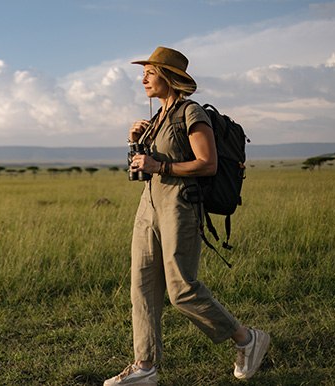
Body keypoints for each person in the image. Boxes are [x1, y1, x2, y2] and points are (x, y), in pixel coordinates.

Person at [103, 47, 270, 386]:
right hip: (149, 205)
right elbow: (143, 168)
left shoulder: (190, 112)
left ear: (168, 75)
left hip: (181, 205)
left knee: (181, 289)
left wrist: (160, 165)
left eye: (150, 72)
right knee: (143, 285)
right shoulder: (157, 118)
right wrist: (136, 142)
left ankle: (247, 339)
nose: (143, 78)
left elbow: (206, 163)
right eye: (144, 72)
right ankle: (144, 367)